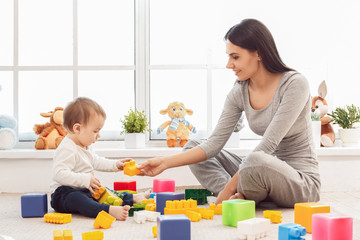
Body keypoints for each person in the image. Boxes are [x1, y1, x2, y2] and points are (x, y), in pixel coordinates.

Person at [139, 18, 320, 207]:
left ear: (258, 53)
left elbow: (268, 144)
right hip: (258, 172)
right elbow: (214, 144)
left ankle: (238, 194)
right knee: (193, 144)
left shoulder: (295, 84)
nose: (228, 64)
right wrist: (164, 162)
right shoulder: (239, 91)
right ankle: (244, 196)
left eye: (235, 57)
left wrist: (226, 192)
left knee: (255, 158)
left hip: (300, 182)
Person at [50, 97, 150, 220]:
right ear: (77, 128)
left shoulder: (86, 146)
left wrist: (116, 165)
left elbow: (96, 161)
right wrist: (86, 179)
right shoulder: (67, 148)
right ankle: (107, 210)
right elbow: (59, 174)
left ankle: (132, 198)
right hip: (64, 194)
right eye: (95, 131)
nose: (99, 135)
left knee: (105, 192)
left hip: (85, 189)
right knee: (78, 199)